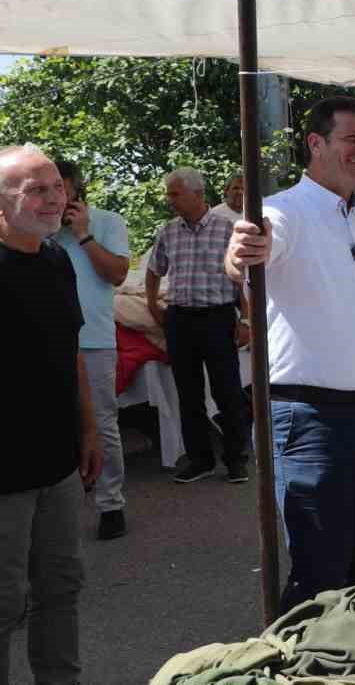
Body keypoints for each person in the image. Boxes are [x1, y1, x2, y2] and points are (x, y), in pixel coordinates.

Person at [225, 96, 355, 612]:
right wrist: (243, 252)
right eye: (351, 139)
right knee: (319, 569)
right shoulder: (281, 213)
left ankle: (348, 658)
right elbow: (248, 255)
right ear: (316, 143)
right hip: (312, 420)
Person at [0, 144, 102, 684]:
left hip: (56, 465)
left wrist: (89, 429)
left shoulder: (56, 259)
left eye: (57, 187)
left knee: (62, 588)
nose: (55, 199)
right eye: (37, 190)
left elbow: (70, 352)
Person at [147, 167, 250, 485]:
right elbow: (154, 270)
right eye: (169, 194)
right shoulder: (168, 232)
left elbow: (247, 279)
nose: (170, 200)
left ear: (198, 194)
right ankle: (200, 460)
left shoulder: (227, 230)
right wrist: (153, 305)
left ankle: (235, 460)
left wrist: (246, 320)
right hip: (180, 320)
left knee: (227, 391)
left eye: (175, 194)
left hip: (217, 318)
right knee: (187, 394)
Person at [53, 160, 133, 541]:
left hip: (93, 338)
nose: (54, 196)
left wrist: (83, 235)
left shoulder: (107, 221)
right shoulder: (36, 229)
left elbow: (117, 274)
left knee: (101, 423)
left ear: (76, 190)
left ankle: (111, 504)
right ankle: (61, 504)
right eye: (45, 189)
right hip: (48, 339)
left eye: (60, 188)